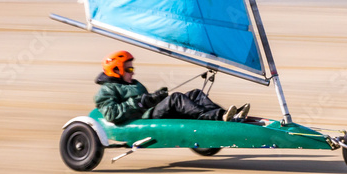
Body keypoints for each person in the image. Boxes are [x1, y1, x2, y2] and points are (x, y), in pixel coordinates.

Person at [94, 50, 250, 125]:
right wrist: (142, 102)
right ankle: (218, 117)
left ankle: (225, 114)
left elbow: (145, 99)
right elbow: (111, 113)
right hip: (143, 118)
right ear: (116, 70)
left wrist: (156, 96)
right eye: (128, 69)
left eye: (132, 68)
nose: (132, 72)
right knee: (176, 99)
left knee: (195, 94)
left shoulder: (131, 83)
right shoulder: (106, 90)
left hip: (149, 110)